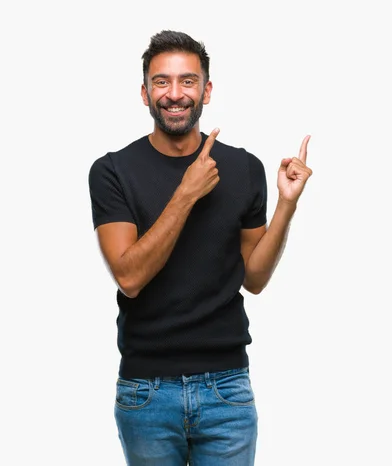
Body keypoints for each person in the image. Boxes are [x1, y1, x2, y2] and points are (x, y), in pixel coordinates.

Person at [87, 30, 312, 466]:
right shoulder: (112, 171)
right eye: (162, 82)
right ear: (144, 92)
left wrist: (286, 204)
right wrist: (186, 193)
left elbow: (257, 278)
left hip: (227, 390)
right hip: (146, 392)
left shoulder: (244, 167)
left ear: (206, 90)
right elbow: (129, 278)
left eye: (188, 81)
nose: (175, 94)